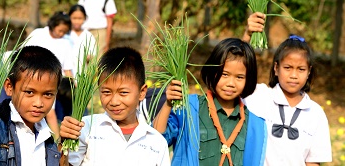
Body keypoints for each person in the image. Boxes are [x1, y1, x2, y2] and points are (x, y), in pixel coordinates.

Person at [153, 38, 266, 166]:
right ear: (213, 72)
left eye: (239, 77)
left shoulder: (254, 125)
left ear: (248, 80)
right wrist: (168, 103)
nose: (230, 83)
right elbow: (155, 141)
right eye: (224, 74)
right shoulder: (190, 108)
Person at [243, 13, 332, 165]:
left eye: (301, 69)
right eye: (288, 67)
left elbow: (313, 162)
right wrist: (247, 35)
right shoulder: (260, 96)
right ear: (276, 68)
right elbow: (236, 71)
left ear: (309, 71)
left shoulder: (316, 114)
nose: (294, 75)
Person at [59, 47, 170, 166]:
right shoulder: (86, 127)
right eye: (106, 92)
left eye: (123, 93)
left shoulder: (156, 142)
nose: (114, 101)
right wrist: (64, 142)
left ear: (142, 92)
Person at [24, 11, 73, 77]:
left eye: (64, 32)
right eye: (60, 31)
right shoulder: (38, 34)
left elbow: (67, 69)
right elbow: (24, 53)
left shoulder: (66, 42)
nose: (61, 34)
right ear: (53, 25)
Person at [68, 4, 97, 76]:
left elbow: (92, 55)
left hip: (82, 74)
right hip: (66, 73)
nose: (77, 21)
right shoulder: (65, 34)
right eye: (74, 18)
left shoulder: (88, 36)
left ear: (85, 18)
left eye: (80, 18)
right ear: (69, 18)